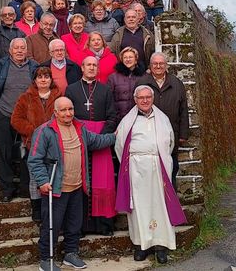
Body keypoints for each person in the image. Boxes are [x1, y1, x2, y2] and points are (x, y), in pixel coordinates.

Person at [28, 96, 116, 271]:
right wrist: (43, 181)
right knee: (51, 225)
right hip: (56, 189)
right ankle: (46, 259)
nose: (68, 113)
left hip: (77, 187)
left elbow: (97, 141)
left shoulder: (79, 128)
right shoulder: (45, 131)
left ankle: (71, 254)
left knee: (74, 224)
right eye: (63, 110)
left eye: (70, 109)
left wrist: (116, 137)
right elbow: (34, 160)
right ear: (55, 112)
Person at [114, 85, 186, 264]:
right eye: (141, 98)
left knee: (159, 205)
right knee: (139, 207)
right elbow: (120, 146)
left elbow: (169, 143)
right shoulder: (127, 121)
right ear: (135, 100)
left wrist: (157, 159)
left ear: (152, 98)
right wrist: (132, 163)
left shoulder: (163, 119)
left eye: (148, 97)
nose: (145, 100)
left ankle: (161, 247)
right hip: (136, 169)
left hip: (157, 168)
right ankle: (141, 246)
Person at [65, 56, 119, 237]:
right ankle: (79, 227)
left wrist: (101, 137)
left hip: (102, 140)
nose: (91, 68)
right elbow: (67, 115)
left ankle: (104, 225)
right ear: (82, 67)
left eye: (95, 65)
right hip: (78, 141)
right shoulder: (71, 90)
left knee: (102, 181)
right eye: (88, 64)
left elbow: (112, 115)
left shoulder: (105, 89)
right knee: (79, 183)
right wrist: (82, 135)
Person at [0, 38, 39, 202]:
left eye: (23, 48)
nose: (20, 51)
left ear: (27, 50)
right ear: (10, 51)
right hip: (4, 114)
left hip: (27, 117)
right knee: (4, 152)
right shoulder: (0, 67)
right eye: (16, 48)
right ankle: (7, 189)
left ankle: (25, 187)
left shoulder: (34, 67)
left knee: (27, 152)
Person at [11, 66, 62, 223]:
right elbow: (16, 119)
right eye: (40, 77)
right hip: (33, 143)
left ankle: (52, 208)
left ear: (51, 79)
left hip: (55, 143)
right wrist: (33, 131)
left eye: (46, 76)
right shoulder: (25, 97)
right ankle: (37, 209)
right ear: (35, 80)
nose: (43, 79)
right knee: (35, 178)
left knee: (55, 176)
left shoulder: (58, 95)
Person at [136, 53, 189, 190]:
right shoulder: (141, 83)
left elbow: (183, 109)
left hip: (170, 135)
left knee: (171, 168)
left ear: (166, 65)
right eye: (155, 64)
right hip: (148, 136)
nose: (158, 66)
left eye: (161, 63)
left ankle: (170, 205)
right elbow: (135, 109)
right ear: (150, 65)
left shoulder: (177, 84)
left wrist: (183, 134)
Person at [107, 47, 146, 120]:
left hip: (139, 118)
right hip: (118, 119)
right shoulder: (113, 78)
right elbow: (109, 99)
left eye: (130, 57)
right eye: (125, 57)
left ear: (136, 60)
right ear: (122, 60)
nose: (128, 59)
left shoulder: (143, 77)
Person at [0, 6, 26, 71]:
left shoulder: (22, 34)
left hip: (18, 70)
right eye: (4, 15)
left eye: (10, 14)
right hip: (0, 70)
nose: (7, 17)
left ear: (14, 16)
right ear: (1, 17)